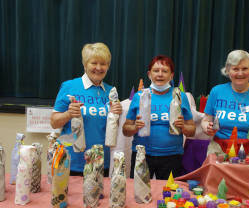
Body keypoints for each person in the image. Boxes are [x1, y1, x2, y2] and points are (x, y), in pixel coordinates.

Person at [50, 42, 122, 176]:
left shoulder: (111, 92)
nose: (98, 68)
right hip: (71, 161)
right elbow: (54, 122)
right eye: (94, 63)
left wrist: (118, 113)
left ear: (108, 66)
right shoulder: (69, 86)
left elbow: (111, 128)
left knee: (99, 197)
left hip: (100, 160)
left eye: (103, 64)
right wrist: (68, 114)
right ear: (85, 65)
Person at [123, 55, 196, 180]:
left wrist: (183, 126)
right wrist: (135, 127)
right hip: (142, 155)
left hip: (172, 156)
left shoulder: (180, 96)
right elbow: (125, 130)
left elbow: (192, 130)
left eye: (165, 71)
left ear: (171, 76)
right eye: (156, 71)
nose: (160, 74)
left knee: (168, 197)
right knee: (138, 195)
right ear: (149, 74)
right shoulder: (140, 96)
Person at [201, 50, 249, 162]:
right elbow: (205, 120)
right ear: (228, 70)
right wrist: (207, 128)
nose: (240, 73)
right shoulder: (217, 91)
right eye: (235, 69)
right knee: (217, 179)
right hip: (219, 147)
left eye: (245, 68)